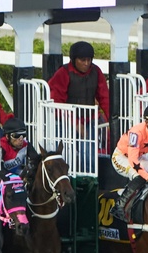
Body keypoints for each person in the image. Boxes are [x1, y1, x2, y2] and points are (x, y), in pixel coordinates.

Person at [47, 41, 109, 173]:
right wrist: (75, 123)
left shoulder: (96, 71)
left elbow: (104, 97)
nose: (86, 63)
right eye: (83, 60)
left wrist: (111, 120)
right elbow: (57, 102)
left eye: (89, 60)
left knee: (90, 157)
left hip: (89, 119)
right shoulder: (62, 73)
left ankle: (89, 184)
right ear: (73, 59)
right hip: (65, 122)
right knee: (65, 156)